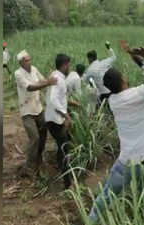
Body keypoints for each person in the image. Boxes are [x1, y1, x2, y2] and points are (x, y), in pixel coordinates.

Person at [88, 67, 144, 223]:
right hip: (138, 161)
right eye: (124, 74)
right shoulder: (137, 94)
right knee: (142, 196)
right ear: (123, 80)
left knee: (106, 195)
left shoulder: (112, 100)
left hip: (124, 160)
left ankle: (90, 219)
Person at [14, 50, 57, 177]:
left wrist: (48, 81)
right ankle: (29, 166)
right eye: (27, 60)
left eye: (29, 59)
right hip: (26, 110)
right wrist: (46, 82)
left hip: (38, 108)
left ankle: (39, 158)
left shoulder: (34, 69)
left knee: (43, 133)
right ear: (21, 62)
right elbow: (30, 87)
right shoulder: (18, 74)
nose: (29, 62)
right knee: (34, 137)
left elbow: (43, 80)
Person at [45, 53, 77, 189]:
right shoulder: (58, 78)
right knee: (64, 149)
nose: (69, 67)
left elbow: (58, 97)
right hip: (55, 121)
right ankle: (67, 183)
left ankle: (62, 169)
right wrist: (66, 116)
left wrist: (70, 102)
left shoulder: (56, 75)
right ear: (64, 65)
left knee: (64, 145)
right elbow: (53, 100)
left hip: (53, 119)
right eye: (68, 64)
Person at [83, 41, 116, 106]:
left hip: (103, 95)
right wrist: (109, 48)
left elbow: (85, 82)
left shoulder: (89, 70)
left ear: (90, 58)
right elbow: (113, 57)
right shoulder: (104, 63)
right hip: (112, 92)